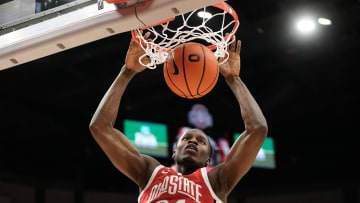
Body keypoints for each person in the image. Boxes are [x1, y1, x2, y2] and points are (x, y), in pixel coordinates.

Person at [89, 32, 268, 203]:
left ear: (208, 160)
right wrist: (126, 72)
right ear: (174, 150)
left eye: (201, 141)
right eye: (187, 138)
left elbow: (257, 129)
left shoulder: (217, 180)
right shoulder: (150, 172)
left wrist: (233, 79)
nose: (193, 141)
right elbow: (100, 127)